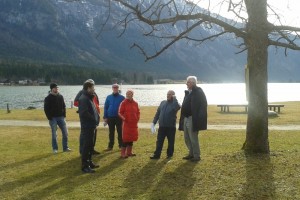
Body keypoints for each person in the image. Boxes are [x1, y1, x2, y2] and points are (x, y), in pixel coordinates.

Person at [178, 76, 207, 162]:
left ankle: (196, 156)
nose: (186, 84)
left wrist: (199, 117)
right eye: (187, 82)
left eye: (188, 82)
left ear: (193, 83)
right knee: (186, 137)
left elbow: (203, 105)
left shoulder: (198, 91)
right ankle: (191, 153)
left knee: (193, 138)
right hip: (186, 118)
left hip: (193, 118)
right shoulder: (188, 92)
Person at [150, 90, 181, 159]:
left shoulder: (176, 104)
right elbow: (158, 113)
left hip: (171, 127)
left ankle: (169, 155)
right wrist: (153, 122)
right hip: (162, 126)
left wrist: (175, 98)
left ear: (173, 95)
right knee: (159, 141)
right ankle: (157, 155)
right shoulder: (162, 102)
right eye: (167, 94)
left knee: (171, 142)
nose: (168, 95)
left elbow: (176, 107)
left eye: (170, 94)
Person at [74, 79, 100, 155]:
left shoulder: (93, 93)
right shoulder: (82, 93)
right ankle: (82, 150)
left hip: (94, 115)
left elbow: (96, 103)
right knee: (84, 135)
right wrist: (84, 108)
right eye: (92, 85)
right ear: (88, 87)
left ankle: (91, 149)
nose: (93, 87)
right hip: (87, 117)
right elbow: (76, 102)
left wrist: (96, 112)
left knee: (93, 133)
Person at [78, 81, 100, 173]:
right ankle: (85, 166)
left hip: (91, 126)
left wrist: (97, 117)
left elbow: (93, 110)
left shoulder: (89, 98)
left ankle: (89, 162)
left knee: (90, 145)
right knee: (86, 146)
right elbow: (84, 113)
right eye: (93, 88)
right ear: (88, 88)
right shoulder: (84, 99)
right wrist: (93, 119)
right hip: (87, 126)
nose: (94, 89)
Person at [44, 83, 71, 154]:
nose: (56, 89)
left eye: (57, 88)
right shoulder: (48, 98)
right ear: (52, 89)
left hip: (61, 117)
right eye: (55, 88)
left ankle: (65, 148)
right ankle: (55, 149)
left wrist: (64, 115)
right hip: (53, 118)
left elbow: (64, 106)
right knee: (54, 134)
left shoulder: (60, 96)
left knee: (65, 133)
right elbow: (46, 109)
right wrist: (49, 117)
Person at [118, 90, 140, 158]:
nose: (128, 95)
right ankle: (122, 154)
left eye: (129, 94)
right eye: (127, 94)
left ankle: (129, 152)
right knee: (125, 139)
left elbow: (138, 112)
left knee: (131, 138)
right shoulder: (123, 103)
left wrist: (137, 119)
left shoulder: (135, 103)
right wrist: (125, 119)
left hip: (133, 124)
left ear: (132, 95)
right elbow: (119, 112)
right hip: (126, 124)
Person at [103, 84, 125, 151]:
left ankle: (121, 146)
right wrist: (105, 117)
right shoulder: (108, 97)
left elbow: (124, 108)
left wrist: (123, 117)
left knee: (120, 132)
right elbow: (106, 107)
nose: (115, 89)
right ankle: (110, 146)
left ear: (118, 89)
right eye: (114, 88)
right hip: (110, 117)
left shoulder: (122, 98)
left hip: (119, 117)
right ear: (112, 88)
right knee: (111, 132)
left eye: (116, 88)